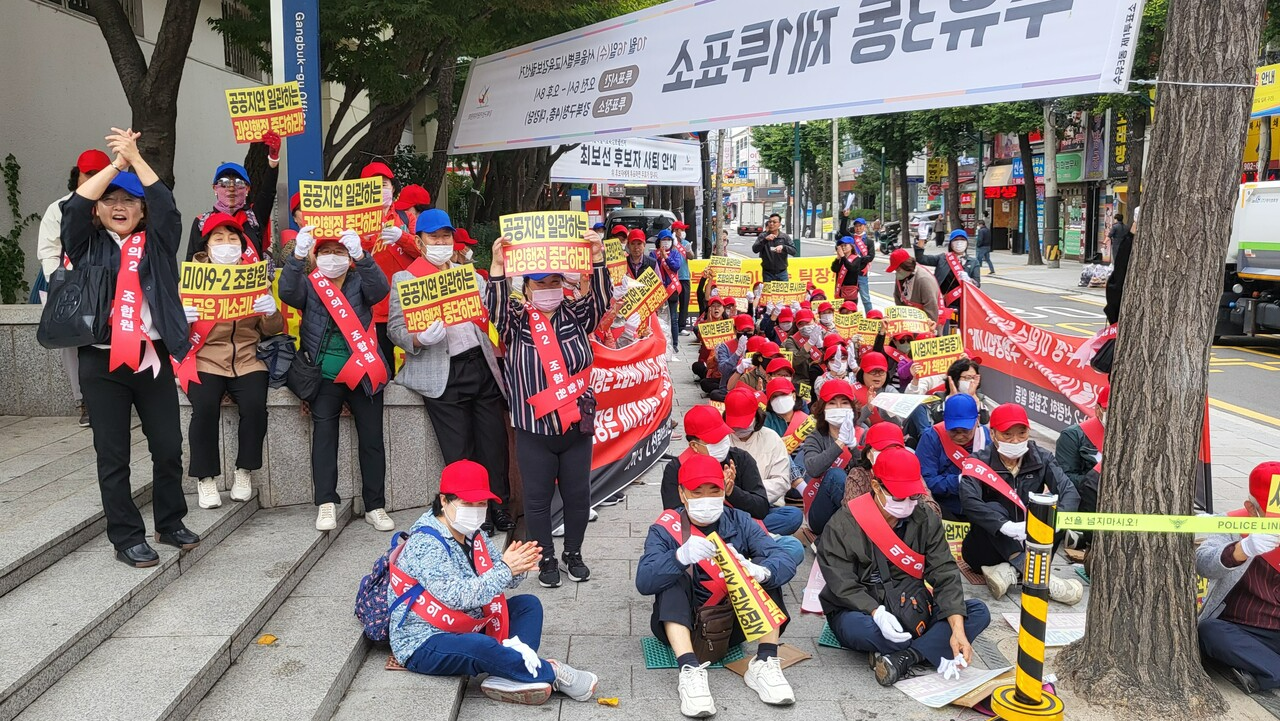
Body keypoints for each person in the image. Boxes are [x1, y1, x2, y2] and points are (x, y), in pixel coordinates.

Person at [62, 128, 199, 567]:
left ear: (141, 211)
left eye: (129, 202)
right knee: (113, 452)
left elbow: (167, 206)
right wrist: (115, 166)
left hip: (152, 359)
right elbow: (75, 207)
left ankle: (170, 521)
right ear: (100, 211)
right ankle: (125, 536)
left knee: (167, 444)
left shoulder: (158, 244)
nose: (119, 207)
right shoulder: (86, 246)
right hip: (101, 361)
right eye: (111, 201)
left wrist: (137, 158)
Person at [390, 460, 598, 705]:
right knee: (480, 646)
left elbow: (499, 575)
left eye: (481, 504)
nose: (476, 510)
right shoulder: (426, 542)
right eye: (468, 503)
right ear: (444, 501)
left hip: (469, 621)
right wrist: (506, 569)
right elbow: (457, 596)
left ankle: (509, 674)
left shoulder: (472, 533)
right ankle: (551, 673)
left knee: (529, 605)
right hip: (425, 639)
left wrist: (520, 564)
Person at [486, 231, 609, 588]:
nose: (548, 288)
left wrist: (597, 258)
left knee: (577, 496)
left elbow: (600, 300)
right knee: (538, 501)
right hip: (533, 429)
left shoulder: (576, 315)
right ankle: (546, 560)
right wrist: (497, 268)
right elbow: (494, 311)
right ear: (526, 289)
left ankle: (573, 553)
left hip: (575, 428)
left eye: (555, 281)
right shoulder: (516, 321)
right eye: (540, 283)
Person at [639, 454, 800, 718]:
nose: (705, 497)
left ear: (724, 489)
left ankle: (765, 661)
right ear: (681, 494)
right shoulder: (664, 528)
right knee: (671, 577)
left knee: (767, 569)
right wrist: (679, 557)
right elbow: (644, 580)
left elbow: (783, 558)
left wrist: (761, 572)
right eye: (696, 491)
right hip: (683, 626)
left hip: (734, 625)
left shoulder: (741, 520)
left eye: (713, 490)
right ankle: (689, 670)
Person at [816, 447, 990, 686]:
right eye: (899, 497)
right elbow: (841, 584)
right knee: (859, 629)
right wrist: (875, 613)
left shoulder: (924, 517)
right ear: (877, 487)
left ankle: (904, 658)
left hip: (914, 607)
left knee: (977, 612)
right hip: (862, 610)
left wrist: (958, 629)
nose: (908, 504)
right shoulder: (843, 524)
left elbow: (945, 572)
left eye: (913, 496)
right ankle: (926, 648)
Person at [387, 209, 513, 533]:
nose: (442, 242)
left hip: (479, 364)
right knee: (459, 450)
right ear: (419, 241)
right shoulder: (406, 279)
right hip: (441, 372)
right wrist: (419, 337)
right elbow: (395, 328)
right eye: (434, 237)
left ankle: (498, 505)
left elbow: (494, 312)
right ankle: (472, 512)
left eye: (446, 236)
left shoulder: (469, 275)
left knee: (493, 443)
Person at [280, 224, 395, 533]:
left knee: (372, 440)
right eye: (326, 252)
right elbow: (287, 292)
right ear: (316, 257)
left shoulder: (360, 282)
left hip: (363, 369)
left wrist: (363, 256)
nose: (333, 258)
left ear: (348, 256)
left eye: (339, 252)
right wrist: (297, 257)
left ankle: (376, 505)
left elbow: (381, 290)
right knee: (324, 436)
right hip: (324, 374)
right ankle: (326, 502)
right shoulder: (308, 283)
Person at [181, 213, 284, 509]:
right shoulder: (191, 279)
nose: (226, 245)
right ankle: (206, 478)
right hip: (205, 357)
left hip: (247, 358)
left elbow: (271, 330)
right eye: (219, 239)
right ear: (207, 246)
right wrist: (183, 319)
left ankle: (244, 470)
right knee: (204, 408)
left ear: (241, 244)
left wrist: (270, 310)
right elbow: (174, 332)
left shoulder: (254, 277)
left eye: (232, 239)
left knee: (254, 406)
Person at [960, 404, 1083, 604]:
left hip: (1031, 541)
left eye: (1021, 433)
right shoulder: (978, 462)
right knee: (993, 508)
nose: (1015, 441)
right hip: (985, 549)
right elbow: (969, 501)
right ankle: (1038, 576)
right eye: (1007, 435)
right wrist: (1005, 527)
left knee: (1051, 510)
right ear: (993, 434)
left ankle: (1010, 572)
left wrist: (1057, 521)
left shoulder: (1042, 458)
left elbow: (1069, 491)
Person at [661, 404, 805, 565]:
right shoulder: (676, 468)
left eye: (724, 436)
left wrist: (732, 491)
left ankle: (751, 570)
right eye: (714, 440)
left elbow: (761, 508)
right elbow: (674, 519)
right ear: (694, 445)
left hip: (743, 531)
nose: (722, 443)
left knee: (793, 545)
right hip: (700, 540)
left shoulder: (741, 459)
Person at [38, 148, 112, 428]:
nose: (93, 178)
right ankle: (84, 401)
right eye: (89, 174)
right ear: (77, 174)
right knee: (71, 344)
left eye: (99, 173)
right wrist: (60, 283)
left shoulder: (116, 204)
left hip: (107, 284)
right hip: (71, 284)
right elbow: (47, 250)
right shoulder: (59, 208)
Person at [1197, 462, 1280, 694]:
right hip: (1240, 628)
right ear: (1251, 509)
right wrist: (1241, 549)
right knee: (1209, 632)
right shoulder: (1233, 523)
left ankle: (1264, 671)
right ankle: (1267, 669)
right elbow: (1203, 562)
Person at [358, 161, 422, 369]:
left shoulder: (407, 218)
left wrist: (402, 237)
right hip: (373, 308)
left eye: (384, 184)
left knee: (414, 364)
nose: (379, 189)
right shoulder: (353, 222)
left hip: (408, 304)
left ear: (393, 187)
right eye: (372, 185)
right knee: (383, 368)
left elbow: (425, 253)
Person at [723, 387, 804, 538]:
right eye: (735, 424)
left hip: (765, 506)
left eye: (744, 422)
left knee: (793, 516)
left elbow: (782, 482)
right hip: (728, 506)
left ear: (756, 415)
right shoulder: (722, 442)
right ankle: (749, 532)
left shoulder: (772, 438)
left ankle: (737, 532)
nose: (740, 428)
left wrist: (750, 492)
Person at [185, 135, 280, 263]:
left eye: (238, 183)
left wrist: (273, 162)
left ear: (247, 189)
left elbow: (268, 193)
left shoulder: (254, 217)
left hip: (252, 282)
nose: (231, 188)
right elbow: (191, 261)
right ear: (214, 188)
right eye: (224, 182)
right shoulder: (201, 221)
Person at [916, 394, 991, 521]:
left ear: (977, 420)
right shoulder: (931, 437)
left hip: (980, 508)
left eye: (965, 430)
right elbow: (924, 481)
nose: (960, 435)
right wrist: (960, 481)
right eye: (954, 430)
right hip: (942, 509)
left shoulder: (987, 438)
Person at [1055, 386, 1108, 519]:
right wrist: (1097, 480)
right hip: (1086, 508)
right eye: (1108, 409)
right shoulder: (1073, 436)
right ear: (1098, 409)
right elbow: (1064, 478)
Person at [914, 229, 979, 325]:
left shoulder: (973, 262)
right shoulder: (942, 258)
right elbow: (921, 259)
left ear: (967, 243)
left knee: (960, 332)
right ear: (951, 243)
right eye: (956, 240)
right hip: (943, 303)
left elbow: (977, 284)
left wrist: (969, 280)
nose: (959, 243)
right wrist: (922, 240)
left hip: (962, 304)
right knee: (944, 331)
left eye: (962, 240)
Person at [886, 249, 943, 327]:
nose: (897, 273)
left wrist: (929, 329)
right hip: (910, 323)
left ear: (906, 266)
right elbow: (897, 297)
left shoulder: (923, 279)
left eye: (898, 269)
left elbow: (931, 308)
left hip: (926, 322)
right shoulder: (901, 276)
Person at [652, 229, 685, 356]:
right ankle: (661, 342)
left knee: (673, 318)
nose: (666, 243)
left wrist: (666, 257)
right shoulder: (654, 255)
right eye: (663, 240)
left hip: (672, 291)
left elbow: (676, 266)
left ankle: (675, 344)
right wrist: (660, 256)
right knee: (659, 319)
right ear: (658, 242)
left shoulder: (675, 254)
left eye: (668, 240)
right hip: (659, 291)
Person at [1105, 213, 1133, 325]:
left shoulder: (1115, 227)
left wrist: (1105, 241)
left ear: (1116, 219)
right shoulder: (1126, 227)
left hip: (1118, 246)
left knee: (1118, 263)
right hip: (1123, 246)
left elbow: (1109, 236)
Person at [752, 214, 796, 282]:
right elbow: (755, 249)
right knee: (768, 292)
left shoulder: (784, 237)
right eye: (770, 222)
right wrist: (765, 240)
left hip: (782, 272)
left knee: (783, 292)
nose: (771, 224)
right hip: (767, 273)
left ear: (779, 225)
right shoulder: (763, 236)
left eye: (774, 222)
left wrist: (783, 247)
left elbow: (794, 251)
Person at [673, 220, 693, 334]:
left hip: (684, 276)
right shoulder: (671, 243)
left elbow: (691, 257)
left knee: (684, 303)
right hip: (673, 277)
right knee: (673, 303)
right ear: (675, 231)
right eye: (682, 230)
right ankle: (673, 326)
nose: (683, 232)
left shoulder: (685, 243)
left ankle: (682, 327)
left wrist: (688, 250)